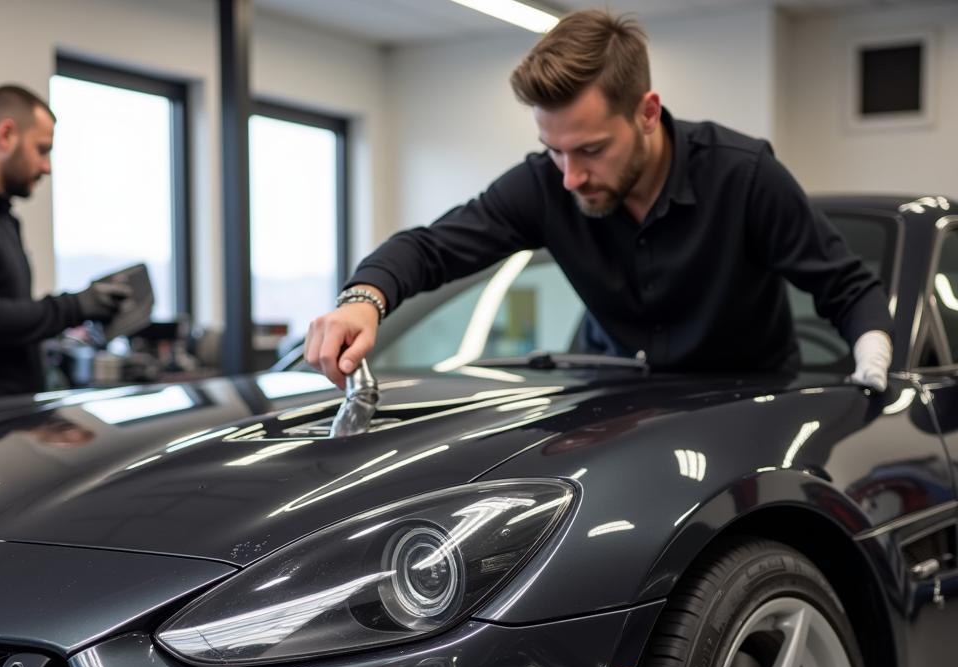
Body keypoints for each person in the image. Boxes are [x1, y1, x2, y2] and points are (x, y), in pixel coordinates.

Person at [305, 10, 892, 393]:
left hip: (747, 403)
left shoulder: (745, 176)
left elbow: (847, 286)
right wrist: (364, 300)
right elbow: (431, 248)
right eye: (553, 151)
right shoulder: (544, 184)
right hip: (609, 401)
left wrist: (872, 357)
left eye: (589, 150)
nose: (570, 177)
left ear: (647, 112)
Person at [0, 84, 129, 407]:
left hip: (9, 421)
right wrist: (75, 307)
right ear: (6, 134)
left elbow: (6, 324)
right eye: (42, 150)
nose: (46, 167)